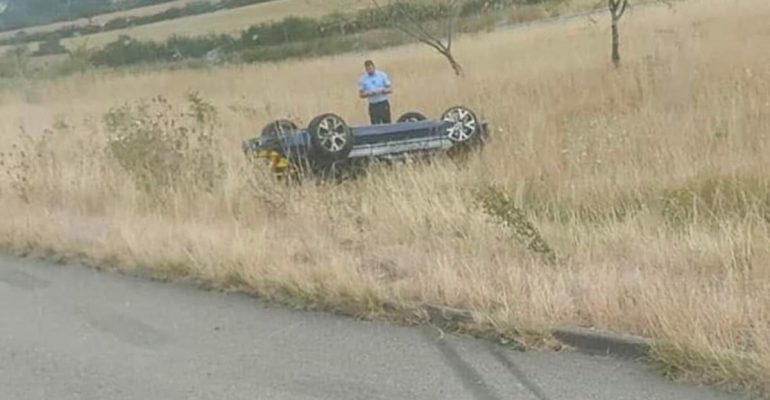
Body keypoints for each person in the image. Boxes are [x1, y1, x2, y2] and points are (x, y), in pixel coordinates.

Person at [358, 59, 393, 124]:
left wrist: (382, 90)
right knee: (375, 125)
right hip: (373, 105)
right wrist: (368, 93)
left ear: (374, 67)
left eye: (370, 68)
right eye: (367, 69)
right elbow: (361, 94)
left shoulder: (382, 75)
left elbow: (390, 89)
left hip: (383, 103)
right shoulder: (362, 79)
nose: (369, 71)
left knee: (387, 123)